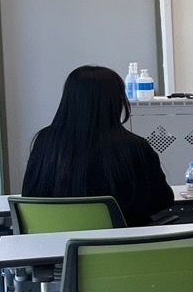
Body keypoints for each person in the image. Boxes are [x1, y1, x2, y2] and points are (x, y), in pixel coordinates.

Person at [21, 65, 173, 227]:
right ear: (118, 101)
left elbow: (29, 196)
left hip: (57, 239)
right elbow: (162, 200)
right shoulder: (135, 146)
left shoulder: (45, 141)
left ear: (68, 99)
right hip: (123, 239)